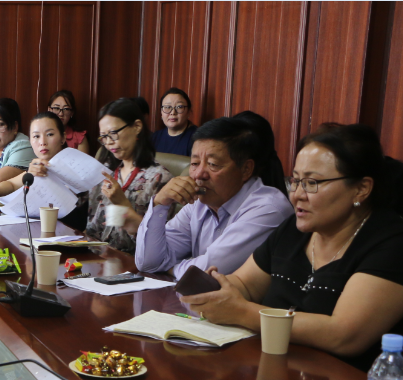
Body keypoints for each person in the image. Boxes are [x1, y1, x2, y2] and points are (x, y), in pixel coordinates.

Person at [180, 123, 403, 371]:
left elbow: (344, 335)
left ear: (361, 189)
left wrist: (242, 312)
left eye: (312, 183)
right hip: (271, 369)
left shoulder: (391, 243)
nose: (297, 195)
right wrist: (219, 290)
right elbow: (245, 285)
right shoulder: (294, 230)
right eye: (295, 181)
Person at [135, 116, 293, 278]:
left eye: (213, 164)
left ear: (246, 169)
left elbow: (209, 270)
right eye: (194, 163)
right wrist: (160, 203)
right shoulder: (198, 203)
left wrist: (171, 269)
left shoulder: (268, 208)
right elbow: (148, 263)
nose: (199, 175)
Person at [86, 98, 172, 253]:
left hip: (130, 261)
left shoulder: (159, 178)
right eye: (103, 137)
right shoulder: (106, 169)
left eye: (113, 133)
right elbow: (89, 223)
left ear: (137, 127)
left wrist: (122, 203)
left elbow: (159, 244)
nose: (108, 142)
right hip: (93, 253)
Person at [0, 112, 94, 230]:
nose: (42, 142)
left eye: (49, 134)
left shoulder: (77, 167)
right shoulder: (36, 167)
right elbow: (11, 184)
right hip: (36, 231)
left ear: (63, 138)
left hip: (71, 233)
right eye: (36, 136)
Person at [151, 88, 197, 157]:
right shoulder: (155, 137)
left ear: (189, 112)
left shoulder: (197, 139)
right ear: (161, 112)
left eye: (179, 107)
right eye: (167, 107)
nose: (173, 112)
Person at [47, 90, 90, 155]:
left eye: (66, 109)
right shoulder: (41, 134)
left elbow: (83, 161)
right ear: (49, 110)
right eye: (56, 108)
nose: (61, 114)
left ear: (72, 113)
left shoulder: (79, 137)